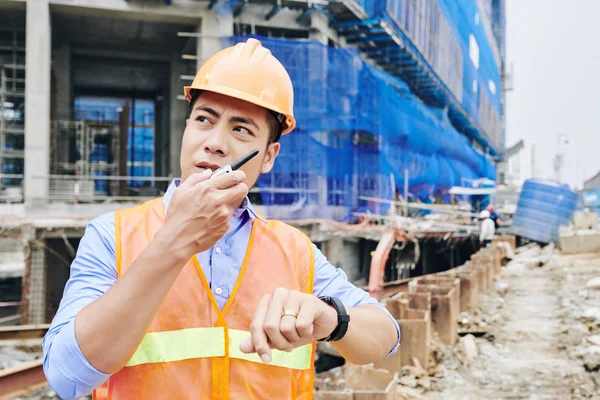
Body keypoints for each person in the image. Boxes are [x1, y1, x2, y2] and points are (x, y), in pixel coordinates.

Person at [42, 38, 400, 400]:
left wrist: (330, 318)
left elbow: (385, 337)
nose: (215, 142)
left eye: (241, 129)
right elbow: (66, 376)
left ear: (270, 155)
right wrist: (171, 243)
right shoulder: (113, 236)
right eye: (203, 120)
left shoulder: (293, 251)